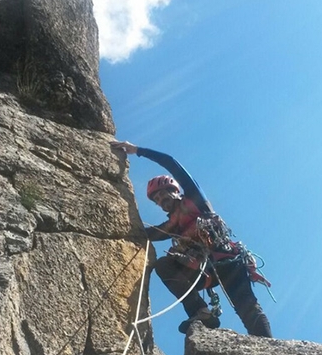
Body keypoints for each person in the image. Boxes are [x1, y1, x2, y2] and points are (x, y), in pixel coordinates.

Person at [111, 141, 272, 337]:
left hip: (227, 261)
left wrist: (137, 151)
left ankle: (268, 346)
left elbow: (171, 163)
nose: (162, 202)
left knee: (247, 307)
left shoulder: (196, 200)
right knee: (163, 265)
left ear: (175, 191)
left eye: (163, 195)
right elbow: (144, 234)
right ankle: (200, 312)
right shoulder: (171, 227)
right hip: (202, 270)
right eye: (157, 201)